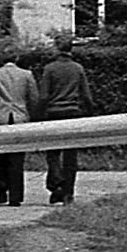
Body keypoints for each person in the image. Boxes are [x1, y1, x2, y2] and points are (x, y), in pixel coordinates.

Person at [38, 37, 95, 205]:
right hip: (73, 112)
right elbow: (86, 95)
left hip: (54, 113)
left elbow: (43, 95)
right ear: (71, 50)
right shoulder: (78, 69)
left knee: (53, 153)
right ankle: (68, 191)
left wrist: (39, 114)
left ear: (57, 49)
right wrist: (90, 112)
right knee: (71, 155)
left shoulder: (49, 69)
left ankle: (57, 184)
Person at [0, 54, 40, 206]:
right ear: (16, 59)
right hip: (20, 117)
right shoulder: (27, 74)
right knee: (17, 160)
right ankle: (15, 196)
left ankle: (1, 191)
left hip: (0, 118)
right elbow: (33, 98)